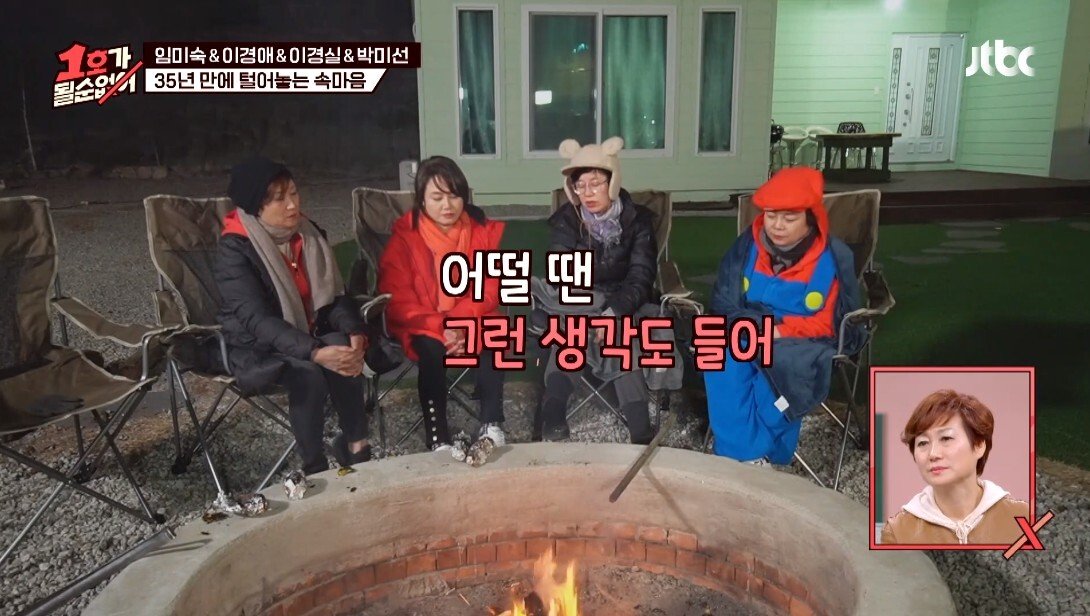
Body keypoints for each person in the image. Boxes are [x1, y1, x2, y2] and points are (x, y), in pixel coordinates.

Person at [215, 156, 395, 476]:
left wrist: (355, 333)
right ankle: (315, 466)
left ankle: (357, 446)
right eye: (278, 199)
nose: (292, 205)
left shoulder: (309, 235)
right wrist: (314, 352)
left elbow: (334, 299)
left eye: (294, 193)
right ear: (256, 206)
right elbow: (257, 320)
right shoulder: (236, 249)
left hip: (307, 333)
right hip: (256, 345)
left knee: (342, 347)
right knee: (308, 372)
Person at [704, 167, 864, 465]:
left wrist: (777, 331)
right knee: (716, 351)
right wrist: (749, 326)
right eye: (770, 216)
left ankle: (750, 455)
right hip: (749, 325)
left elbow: (827, 323)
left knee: (781, 371)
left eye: (789, 218)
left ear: (810, 218)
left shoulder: (831, 259)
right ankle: (749, 456)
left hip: (804, 340)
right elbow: (724, 298)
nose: (777, 226)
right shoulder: (746, 247)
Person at [378, 156, 507, 452]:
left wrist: (460, 324)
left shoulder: (481, 232)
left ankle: (492, 423)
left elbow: (491, 286)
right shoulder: (404, 240)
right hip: (424, 322)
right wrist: (444, 328)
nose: (447, 206)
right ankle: (438, 436)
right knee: (430, 348)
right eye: (437, 198)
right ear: (421, 200)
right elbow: (399, 299)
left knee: (495, 334)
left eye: (454, 196)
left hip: (472, 317)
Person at [537, 137, 657, 445]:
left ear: (612, 182)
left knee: (622, 336)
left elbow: (641, 276)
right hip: (581, 302)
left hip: (623, 302)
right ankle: (553, 413)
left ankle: (640, 430)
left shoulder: (639, 221)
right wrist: (590, 313)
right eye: (580, 186)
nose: (587, 193)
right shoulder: (567, 221)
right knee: (570, 330)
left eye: (595, 184)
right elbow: (562, 275)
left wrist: (612, 313)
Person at [881, 389, 1029, 545]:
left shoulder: (1021, 517)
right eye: (923, 443)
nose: (933, 454)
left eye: (946, 438)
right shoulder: (899, 532)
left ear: (979, 445)